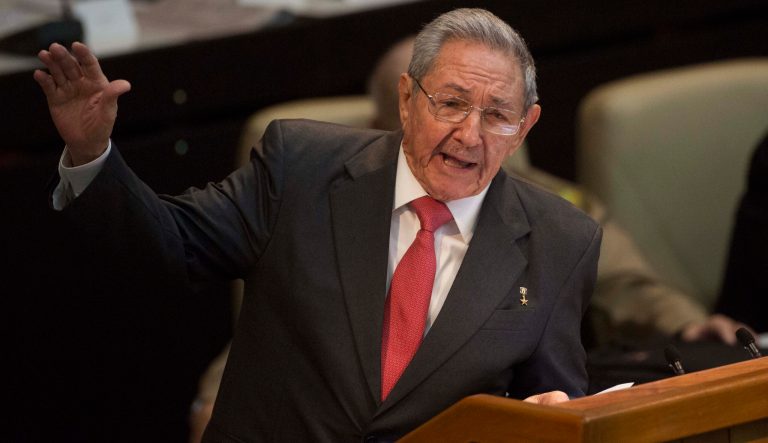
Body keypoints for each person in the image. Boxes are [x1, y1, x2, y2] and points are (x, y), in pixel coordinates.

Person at [36, 9, 602, 441]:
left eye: (497, 116)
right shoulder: (301, 167)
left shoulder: (561, 240)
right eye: (451, 104)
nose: (471, 135)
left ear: (525, 126)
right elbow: (168, 245)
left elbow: (553, 403)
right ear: (406, 100)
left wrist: (551, 416)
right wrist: (92, 153)